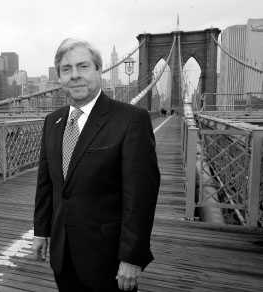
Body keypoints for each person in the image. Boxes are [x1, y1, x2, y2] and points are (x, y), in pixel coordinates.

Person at [32, 38, 160, 292]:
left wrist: (132, 256)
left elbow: (140, 196)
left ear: (100, 70)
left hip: (108, 260)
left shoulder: (131, 120)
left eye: (83, 66)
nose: (75, 76)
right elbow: (47, 185)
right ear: (59, 77)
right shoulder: (52, 121)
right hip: (62, 255)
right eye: (66, 69)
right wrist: (40, 231)